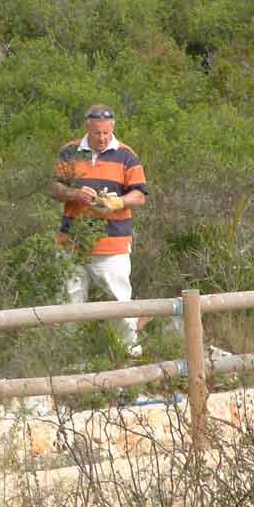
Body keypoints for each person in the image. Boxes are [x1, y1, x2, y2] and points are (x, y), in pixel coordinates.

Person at [50, 104, 148, 357]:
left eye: (106, 133)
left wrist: (118, 202)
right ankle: (69, 356)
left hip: (112, 242)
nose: (102, 138)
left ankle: (127, 352)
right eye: (97, 133)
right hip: (72, 242)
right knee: (69, 300)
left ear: (112, 128)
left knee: (118, 299)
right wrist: (75, 194)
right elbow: (54, 189)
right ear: (88, 128)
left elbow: (139, 195)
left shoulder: (126, 155)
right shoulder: (69, 152)